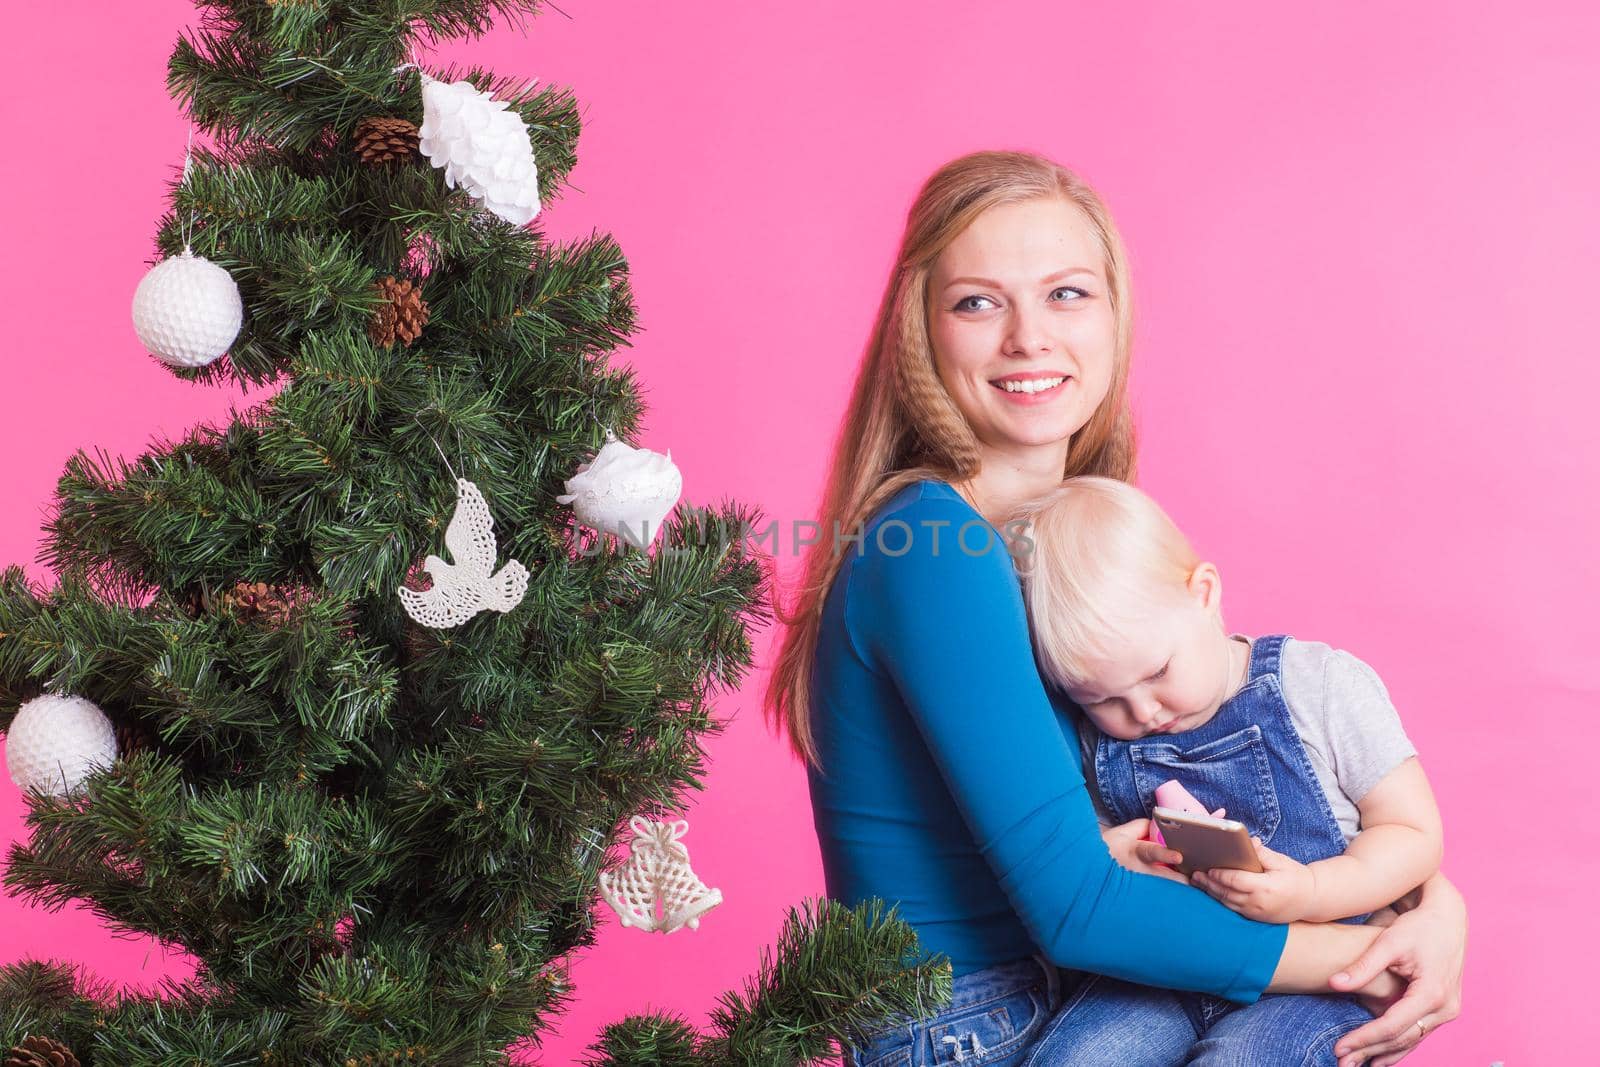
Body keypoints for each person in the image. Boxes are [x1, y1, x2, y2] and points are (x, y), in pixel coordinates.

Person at [763, 149, 1467, 1067]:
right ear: (920, 332)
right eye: (978, 301)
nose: (1029, 338)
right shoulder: (933, 547)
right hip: (989, 1026)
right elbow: (1079, 908)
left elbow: (1190, 803)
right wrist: (1370, 954)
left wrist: (1429, 900)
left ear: (1115, 312)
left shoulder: (1057, 550)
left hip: (1077, 1000)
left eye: (1067, 294)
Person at [1004, 475, 1445, 1063]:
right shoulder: (1095, 739)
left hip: (1315, 974)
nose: (1142, 711)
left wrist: (1311, 891)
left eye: (1157, 671)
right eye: (1101, 700)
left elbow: (1413, 835)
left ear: (1204, 594)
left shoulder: (1319, 687)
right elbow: (1086, 856)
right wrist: (1120, 855)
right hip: (1164, 970)